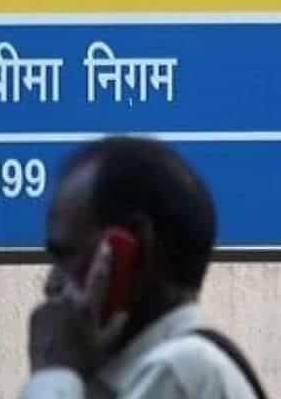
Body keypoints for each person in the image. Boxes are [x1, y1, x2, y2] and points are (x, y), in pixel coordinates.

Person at [19, 136, 266, 399]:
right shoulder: (140, 374)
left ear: (131, 251)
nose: (51, 284)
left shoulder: (180, 371)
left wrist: (54, 370)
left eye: (67, 255)